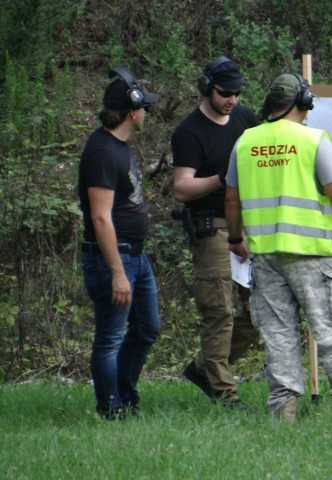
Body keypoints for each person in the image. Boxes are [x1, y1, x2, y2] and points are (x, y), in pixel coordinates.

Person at [224, 72, 332, 420]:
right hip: (312, 256)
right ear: (303, 102)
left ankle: (284, 411)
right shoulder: (312, 140)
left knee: (278, 335)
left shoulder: (245, 142)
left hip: (266, 257)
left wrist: (236, 238)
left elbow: (231, 200)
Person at [171, 56, 260, 407]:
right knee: (219, 311)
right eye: (225, 93)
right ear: (207, 87)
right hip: (212, 229)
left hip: (248, 228)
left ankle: (203, 368)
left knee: (258, 314)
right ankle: (226, 396)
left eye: (238, 93)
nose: (232, 100)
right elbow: (182, 188)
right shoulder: (189, 132)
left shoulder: (245, 118)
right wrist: (221, 178)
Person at [78, 67, 161, 419]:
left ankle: (124, 396)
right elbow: (99, 217)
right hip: (114, 259)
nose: (147, 113)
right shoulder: (102, 152)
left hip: (135, 257)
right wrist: (117, 273)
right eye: (145, 107)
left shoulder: (118, 146)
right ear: (132, 110)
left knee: (147, 328)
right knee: (111, 338)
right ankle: (110, 410)